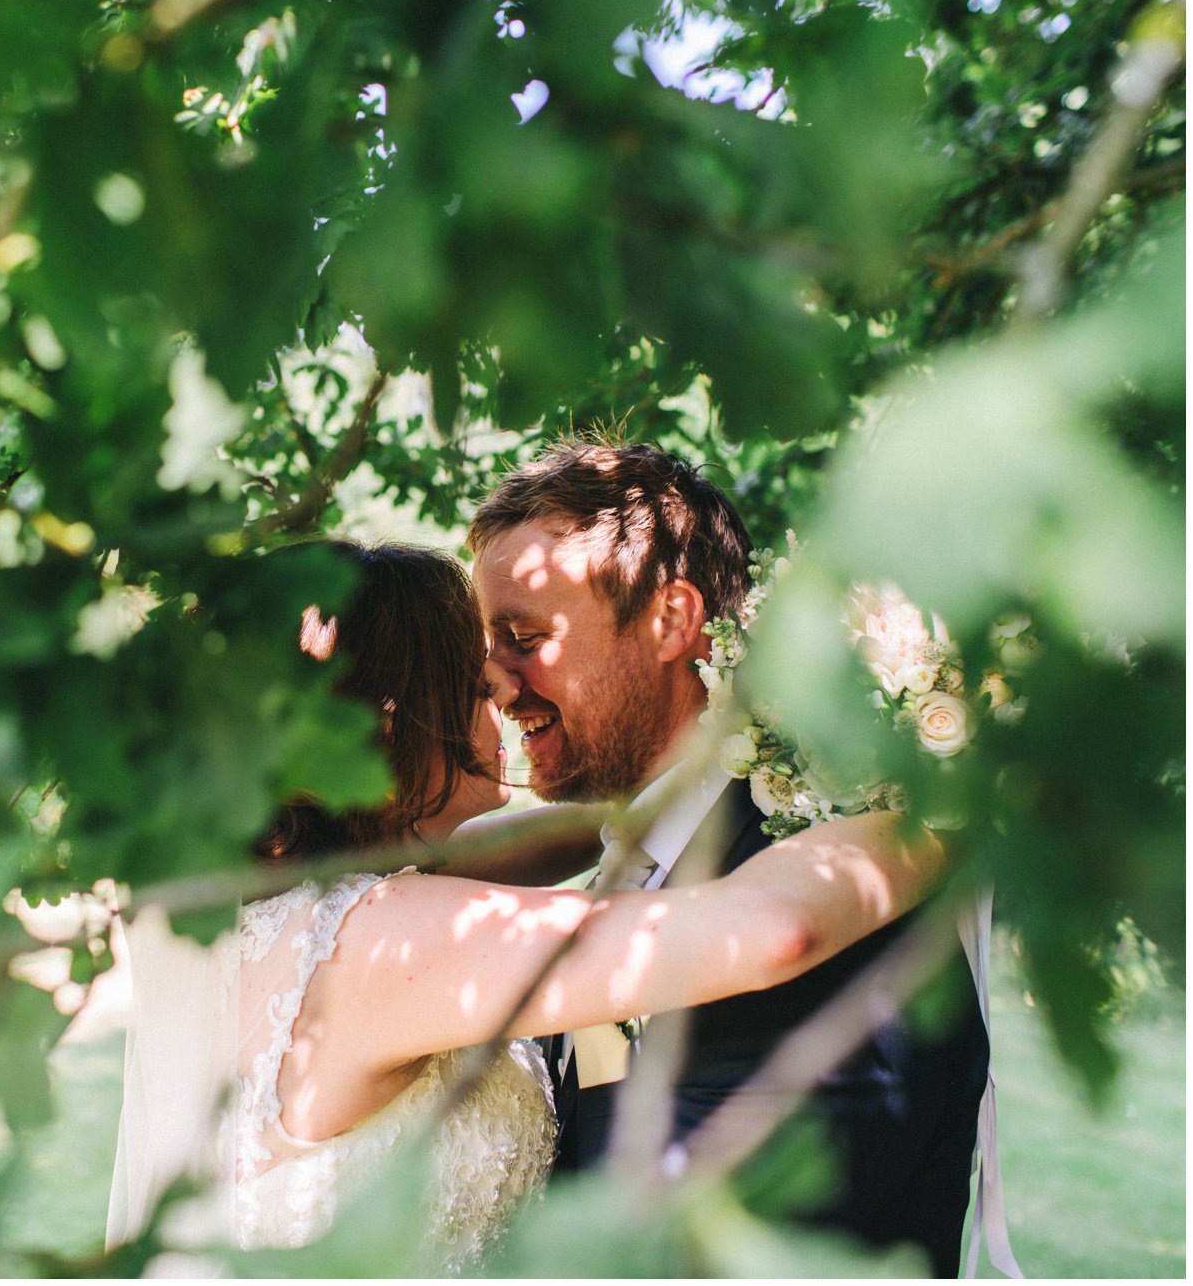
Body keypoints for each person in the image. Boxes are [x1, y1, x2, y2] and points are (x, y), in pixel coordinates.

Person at [106, 539, 948, 1272]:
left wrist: (738, 742)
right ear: (397, 717)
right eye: (474, 687)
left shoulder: (292, 901)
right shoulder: (378, 942)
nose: (502, 700)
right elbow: (771, 928)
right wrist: (956, 800)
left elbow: (577, 832)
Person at [467, 439, 991, 1276]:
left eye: (523, 636)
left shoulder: (838, 894)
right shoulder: (649, 838)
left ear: (672, 619)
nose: (493, 679)